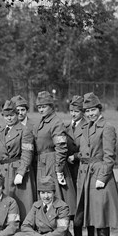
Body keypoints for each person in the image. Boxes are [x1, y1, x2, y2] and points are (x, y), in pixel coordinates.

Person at [74, 93, 118, 236]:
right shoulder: (86, 127)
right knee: (93, 212)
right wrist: (77, 156)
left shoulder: (107, 127)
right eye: (87, 111)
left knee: (101, 212)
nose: (89, 114)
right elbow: (86, 150)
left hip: (100, 174)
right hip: (86, 173)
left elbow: (110, 156)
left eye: (92, 110)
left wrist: (103, 176)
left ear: (99, 109)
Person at [0, 176, 77, 236]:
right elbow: (25, 226)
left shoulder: (62, 207)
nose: (46, 196)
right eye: (42, 193)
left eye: (49, 192)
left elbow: (61, 231)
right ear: (39, 193)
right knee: (19, 235)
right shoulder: (36, 205)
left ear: (54, 193)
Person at [32, 91, 76, 224]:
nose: (41, 109)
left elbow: (61, 148)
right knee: (43, 197)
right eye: (39, 107)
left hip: (52, 162)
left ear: (51, 106)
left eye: (44, 106)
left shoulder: (56, 122)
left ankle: (61, 232)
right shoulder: (41, 122)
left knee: (55, 196)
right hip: (41, 163)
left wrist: (59, 169)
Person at [0, 99, 35, 221]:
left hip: (17, 170)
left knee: (22, 203)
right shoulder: (0, 132)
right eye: (6, 116)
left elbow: (27, 153)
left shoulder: (25, 130)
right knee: (4, 203)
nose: (9, 118)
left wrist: (21, 172)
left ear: (17, 115)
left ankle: (24, 229)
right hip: (2, 172)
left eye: (12, 115)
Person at [64, 95, 94, 236]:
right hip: (70, 170)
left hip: (83, 167)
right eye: (71, 111)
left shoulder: (88, 126)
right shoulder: (66, 127)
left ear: (82, 112)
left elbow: (88, 148)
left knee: (87, 202)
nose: (74, 114)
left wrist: (75, 156)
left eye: (76, 111)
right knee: (74, 202)